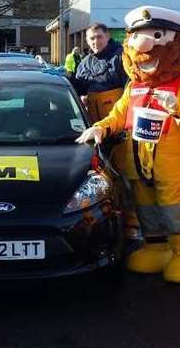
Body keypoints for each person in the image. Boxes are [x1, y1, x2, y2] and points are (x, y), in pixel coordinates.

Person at [77, 6, 180, 284]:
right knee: (146, 208)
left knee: (174, 209)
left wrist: (176, 107)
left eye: (156, 36)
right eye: (136, 38)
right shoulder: (134, 86)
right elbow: (118, 114)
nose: (143, 47)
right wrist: (100, 127)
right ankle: (156, 247)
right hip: (138, 162)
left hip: (170, 164)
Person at [71, 24, 136, 238]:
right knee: (102, 180)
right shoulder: (85, 64)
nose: (94, 42)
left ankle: (132, 226)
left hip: (121, 130)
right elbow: (76, 89)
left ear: (107, 36)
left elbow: (132, 93)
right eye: (91, 39)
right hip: (96, 132)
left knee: (127, 178)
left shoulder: (121, 58)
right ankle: (105, 223)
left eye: (98, 37)